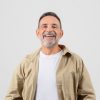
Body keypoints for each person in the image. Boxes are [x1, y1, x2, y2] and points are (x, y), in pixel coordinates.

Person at [5, 12, 96, 100]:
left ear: (61, 33)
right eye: (44, 26)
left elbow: (88, 95)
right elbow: (12, 96)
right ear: (37, 32)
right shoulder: (27, 62)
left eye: (54, 26)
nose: (49, 30)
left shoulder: (75, 61)